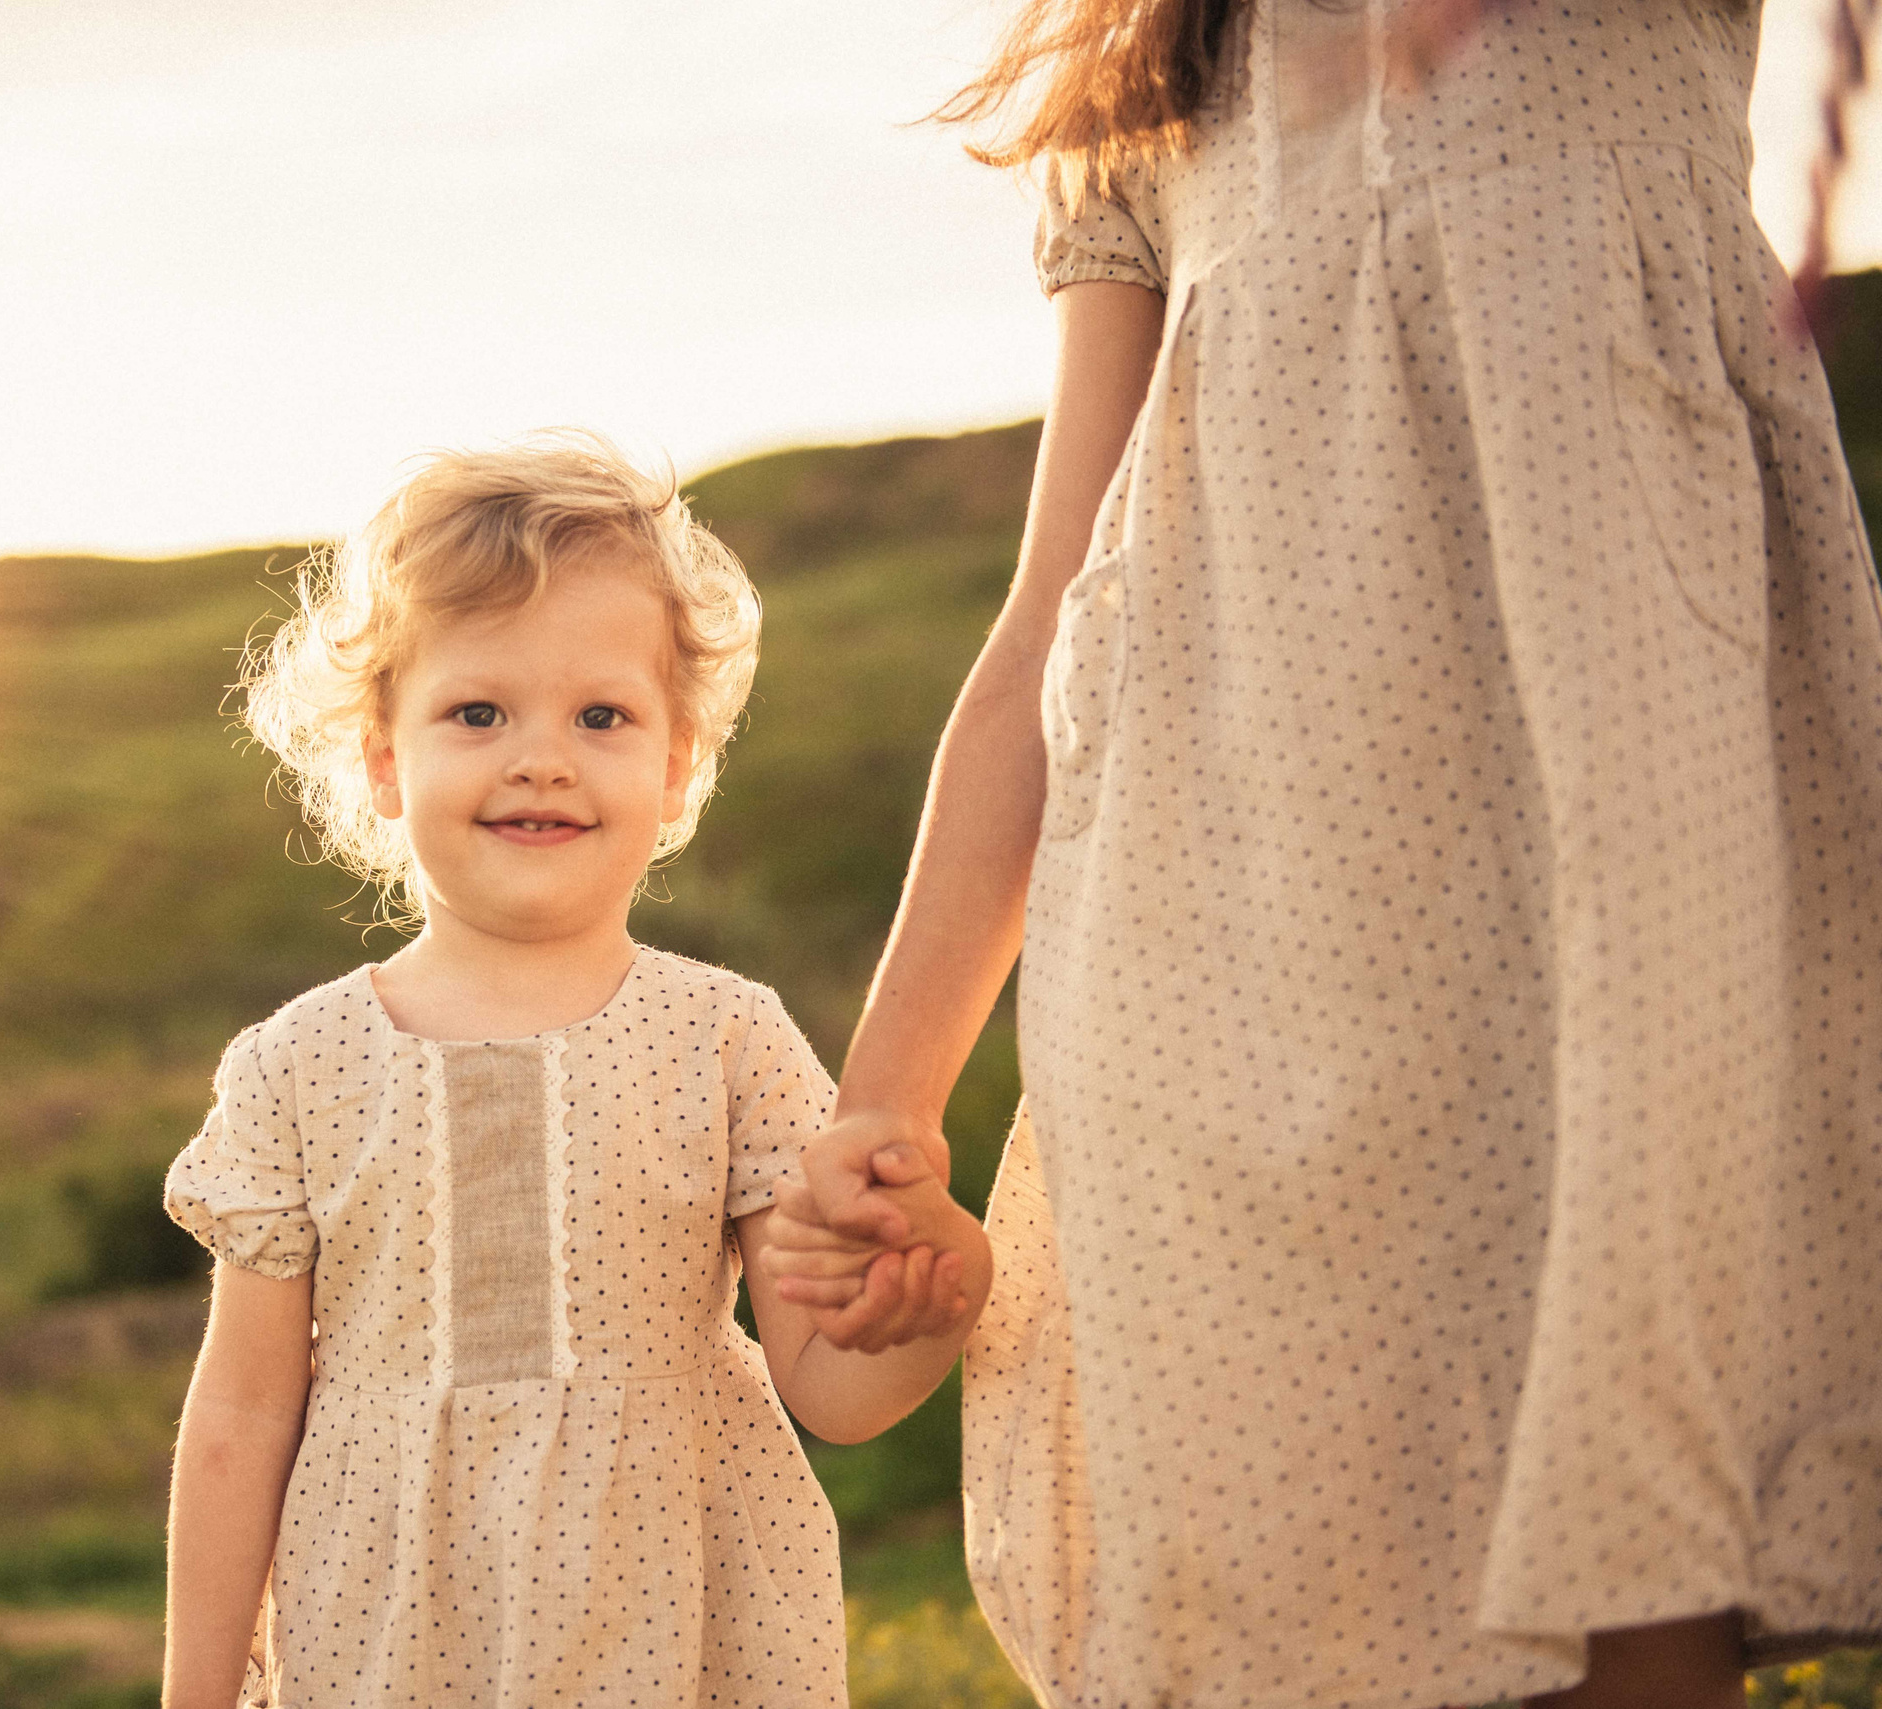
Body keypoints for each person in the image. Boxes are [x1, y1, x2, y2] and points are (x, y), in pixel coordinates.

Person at [760, 1, 1882, 1707]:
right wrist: (884, 1105)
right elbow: (1045, 620)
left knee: (1634, 1525)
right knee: (1300, 1560)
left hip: (1616, 877)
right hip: (1226, 927)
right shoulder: (1149, 95)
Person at [155, 432, 991, 1709]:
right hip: (386, 1647)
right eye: (477, 712)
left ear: (675, 761)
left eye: (601, 715)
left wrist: (937, 1289)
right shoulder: (295, 1066)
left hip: (672, 1634)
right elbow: (240, 1417)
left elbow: (832, 1388)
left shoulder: (727, 1039)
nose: (540, 756)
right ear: (382, 759)